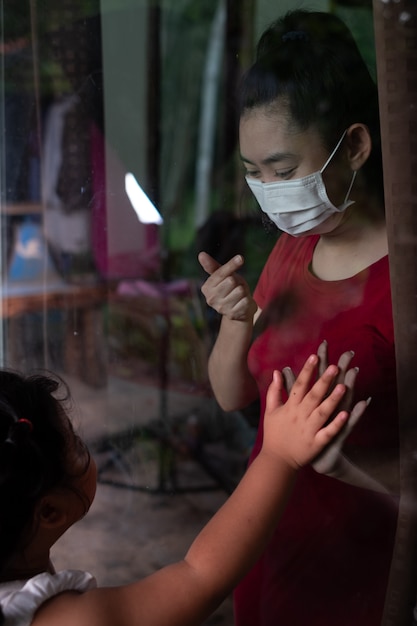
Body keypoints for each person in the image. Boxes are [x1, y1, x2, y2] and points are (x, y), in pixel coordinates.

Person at [198, 9, 398, 626]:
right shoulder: (294, 246)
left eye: (284, 171)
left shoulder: (405, 278)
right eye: (255, 173)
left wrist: (349, 464)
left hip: (361, 575)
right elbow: (235, 396)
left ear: (355, 146)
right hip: (264, 545)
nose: (270, 190)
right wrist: (235, 320)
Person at [0, 355, 364, 626]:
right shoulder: (66, 621)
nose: (86, 448)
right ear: (49, 512)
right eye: (77, 447)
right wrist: (279, 455)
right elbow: (199, 576)